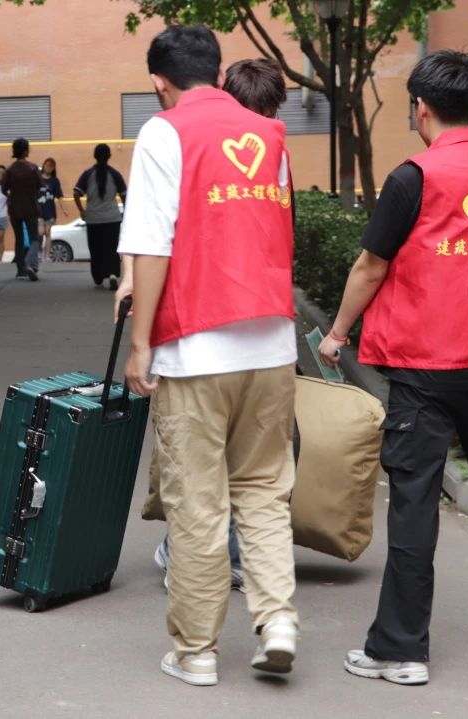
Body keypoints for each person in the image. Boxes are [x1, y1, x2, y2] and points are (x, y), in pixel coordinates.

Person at [318, 51, 468, 687]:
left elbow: (371, 265)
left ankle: (401, 650)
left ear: (420, 108)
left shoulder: (411, 178)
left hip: (422, 367)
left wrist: (337, 334)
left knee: (415, 503)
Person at [120, 25, 300, 687]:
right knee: (264, 491)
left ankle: (197, 651)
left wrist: (141, 344)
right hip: (272, 343)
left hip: (196, 346)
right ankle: (277, 620)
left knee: (198, 502)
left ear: (159, 81)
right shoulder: (270, 136)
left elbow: (152, 246)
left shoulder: (164, 132)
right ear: (220, 75)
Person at [145, 57, 291, 595]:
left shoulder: (245, 149)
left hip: (227, 330)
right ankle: (223, 569)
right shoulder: (254, 149)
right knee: (235, 465)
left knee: (214, 463)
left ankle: (197, 563)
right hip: (239, 332)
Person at [73, 143, 126, 289]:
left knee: (96, 248)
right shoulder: (115, 174)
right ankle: (113, 274)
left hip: (93, 219)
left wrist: (82, 210)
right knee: (112, 247)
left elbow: (76, 192)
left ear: (94, 156)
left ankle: (98, 276)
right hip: (112, 218)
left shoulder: (87, 174)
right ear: (109, 156)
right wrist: (126, 211)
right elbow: (124, 194)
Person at [1, 137, 44, 280]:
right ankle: (30, 264)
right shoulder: (33, 168)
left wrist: (12, 196)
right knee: (34, 238)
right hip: (30, 207)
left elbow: (3, 189)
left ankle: (20, 270)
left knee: (19, 239)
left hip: (14, 208)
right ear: (26, 151)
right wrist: (33, 195)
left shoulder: (9, 170)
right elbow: (40, 185)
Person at [37, 157, 66, 262]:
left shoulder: (55, 181)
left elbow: (60, 196)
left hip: (50, 211)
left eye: (51, 166)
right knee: (40, 232)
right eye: (47, 165)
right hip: (39, 210)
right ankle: (39, 251)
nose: (49, 168)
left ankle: (47, 255)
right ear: (44, 166)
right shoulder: (38, 179)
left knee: (48, 232)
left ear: (53, 168)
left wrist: (64, 209)